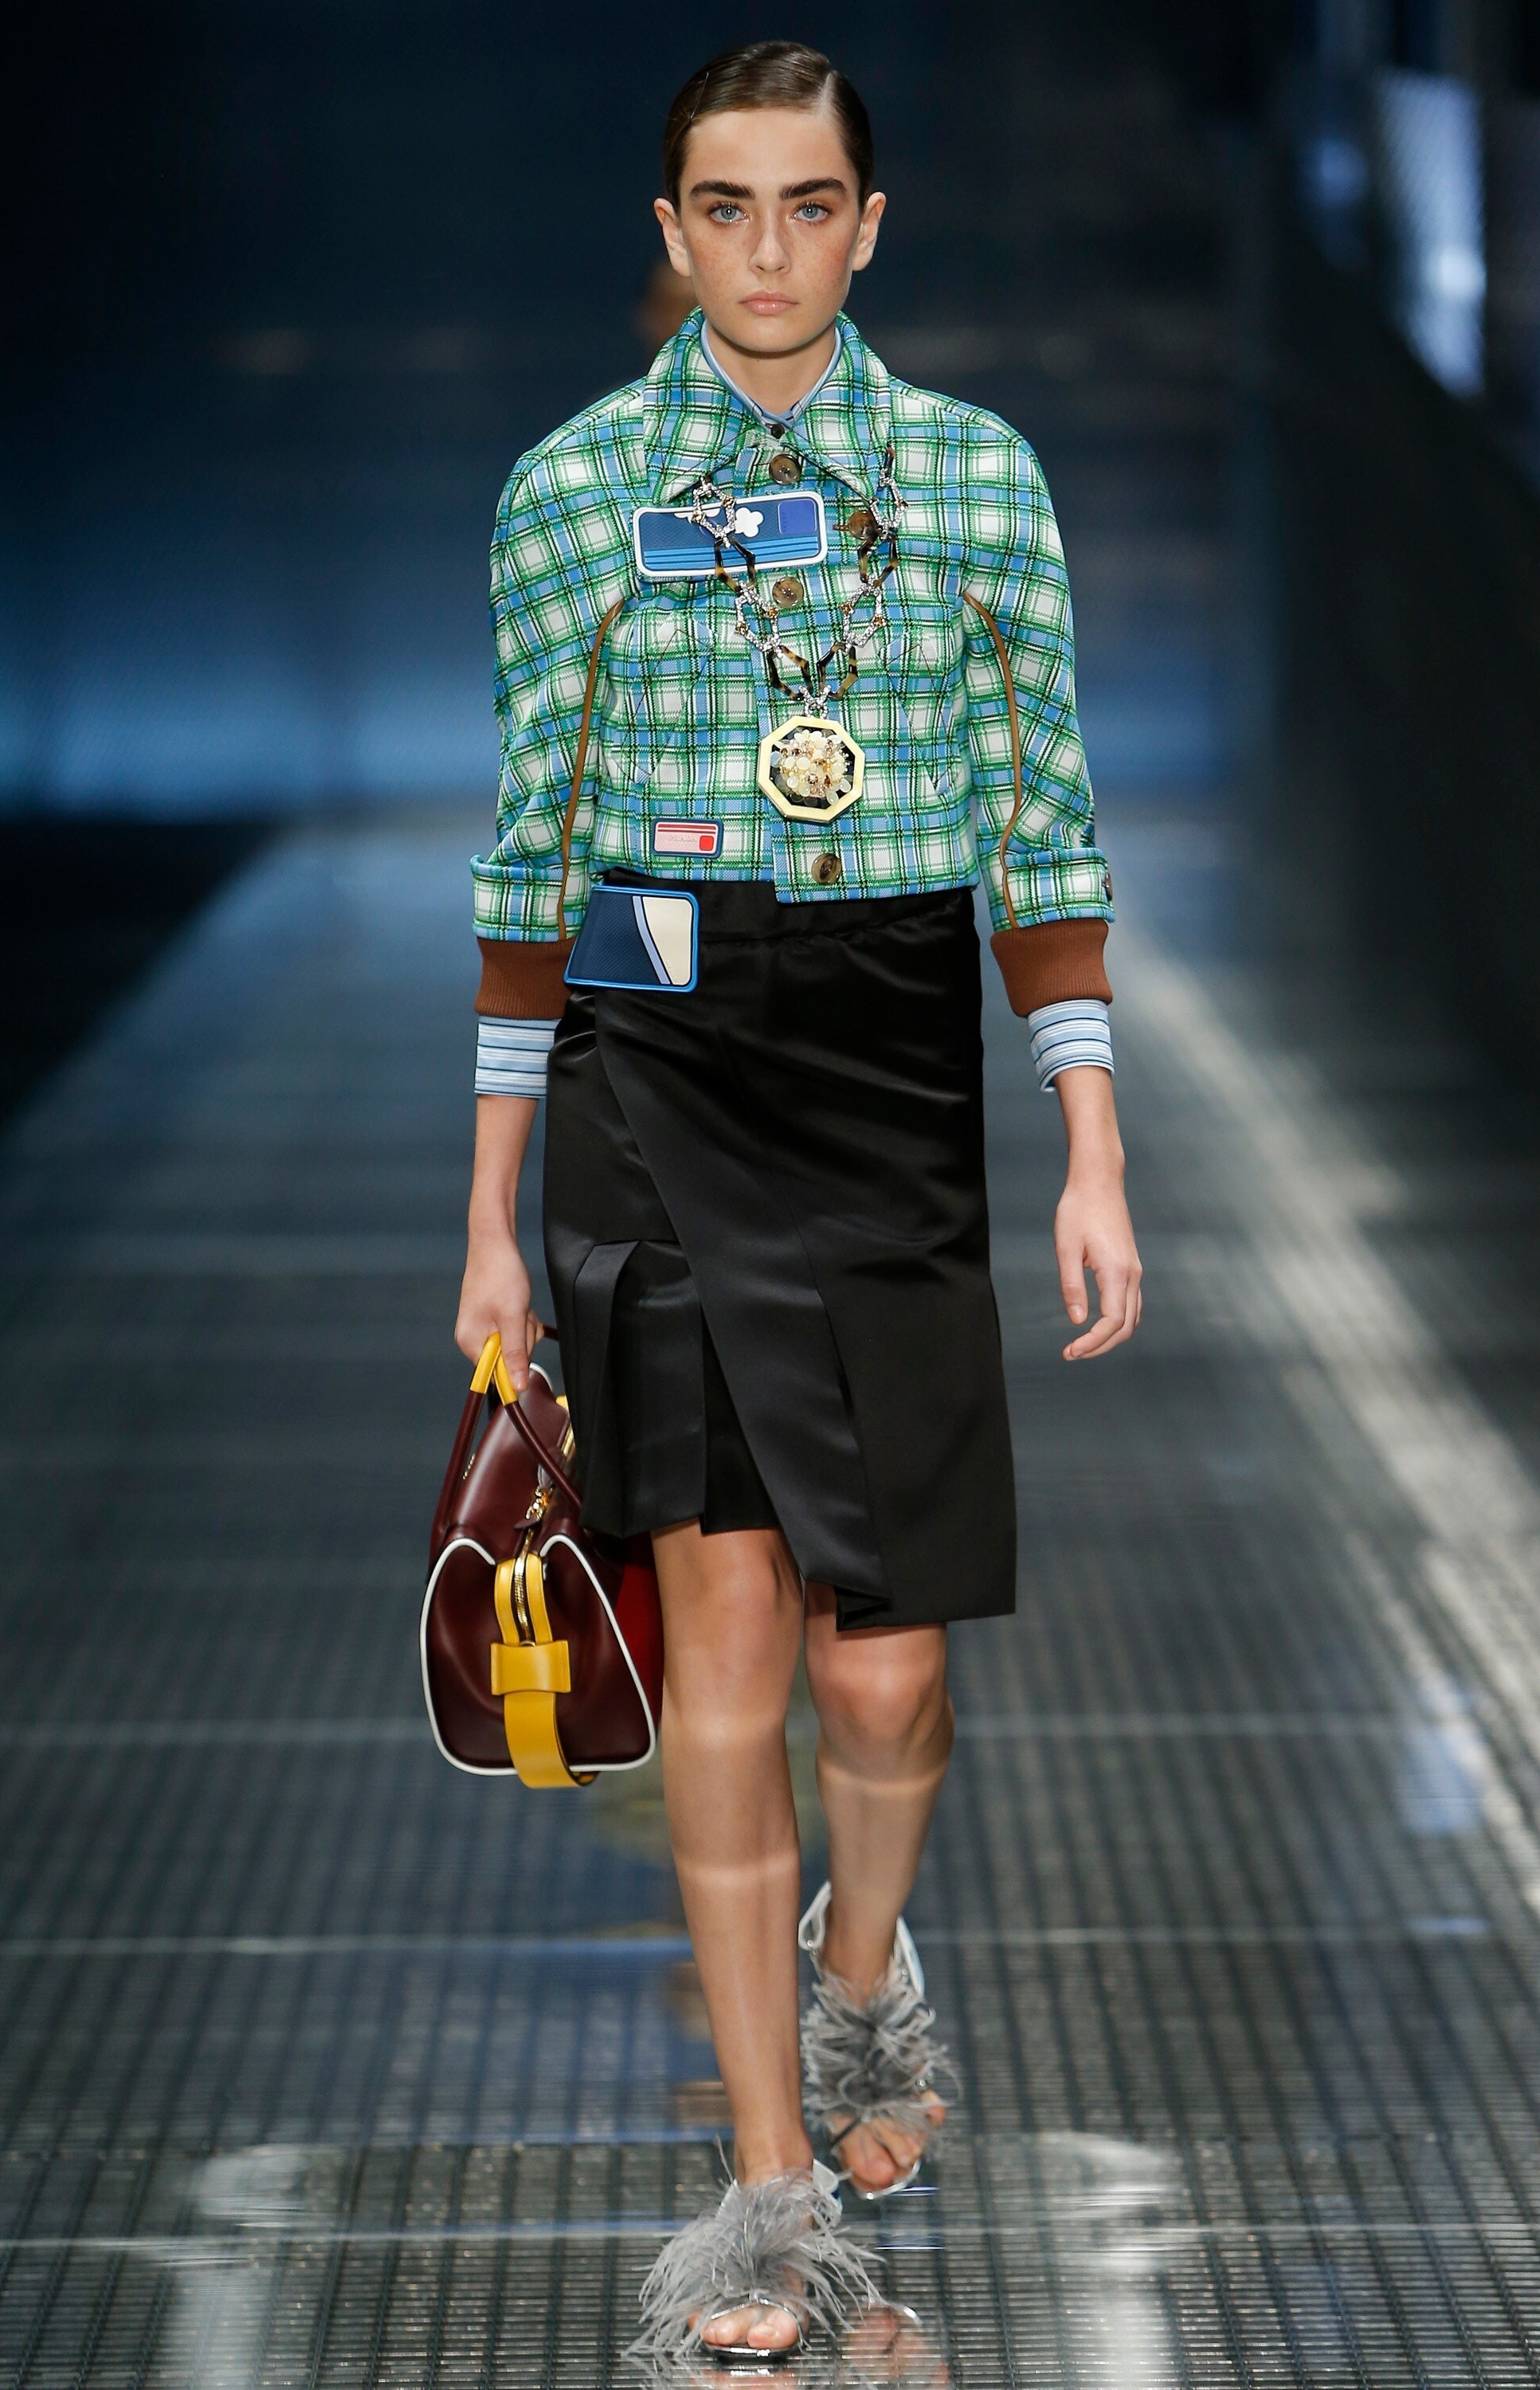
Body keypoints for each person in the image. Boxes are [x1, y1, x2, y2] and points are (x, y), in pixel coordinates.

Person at [455, 40, 1141, 2368]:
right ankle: (769, 2199)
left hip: (883, 1074)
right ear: (671, 232)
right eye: (726, 208)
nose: (768, 248)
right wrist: (491, 1218)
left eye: (809, 204)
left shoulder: (974, 480)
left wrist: (1092, 1142)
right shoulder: (571, 494)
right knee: (727, 1651)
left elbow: (1043, 820)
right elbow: (529, 863)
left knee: (893, 1664)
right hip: (649, 1073)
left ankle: (863, 1990)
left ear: (872, 225)